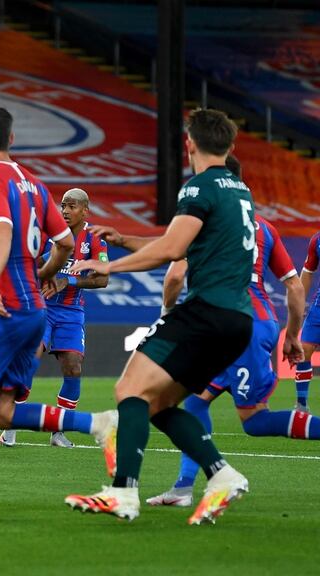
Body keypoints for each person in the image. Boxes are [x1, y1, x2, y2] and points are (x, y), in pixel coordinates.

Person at [66, 108, 269, 525]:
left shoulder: (199, 188)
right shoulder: (239, 191)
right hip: (237, 320)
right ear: (229, 145)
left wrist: (108, 265)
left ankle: (123, 493)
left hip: (205, 311)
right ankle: (222, 474)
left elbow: (170, 251)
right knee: (157, 404)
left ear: (189, 144)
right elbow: (184, 242)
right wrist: (123, 239)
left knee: (130, 391)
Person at [0, 106, 117, 522]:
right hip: (34, 309)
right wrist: (44, 275)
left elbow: (1, 228)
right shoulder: (34, 185)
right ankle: (99, 423)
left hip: (7, 305)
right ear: (12, 140)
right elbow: (64, 243)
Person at [143, 155, 314, 506]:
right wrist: (292, 335)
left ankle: (204, 481)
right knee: (195, 400)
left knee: (253, 420)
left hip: (233, 325)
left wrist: (166, 314)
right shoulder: (264, 227)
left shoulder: (203, 221)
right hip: (251, 323)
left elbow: (174, 275)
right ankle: (183, 487)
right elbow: (295, 287)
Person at [0, 188, 110, 449]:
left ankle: (59, 431)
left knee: (73, 367)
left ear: (85, 210)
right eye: (63, 206)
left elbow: (103, 279)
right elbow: (26, 265)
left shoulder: (94, 239)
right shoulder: (48, 234)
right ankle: (11, 424)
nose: (66, 211)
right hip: (42, 308)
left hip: (72, 313)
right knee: (30, 360)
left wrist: (67, 280)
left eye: (71, 207)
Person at [295, 231, 320, 413]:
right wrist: (299, 303)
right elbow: (308, 272)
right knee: (303, 350)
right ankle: (301, 405)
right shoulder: (317, 240)